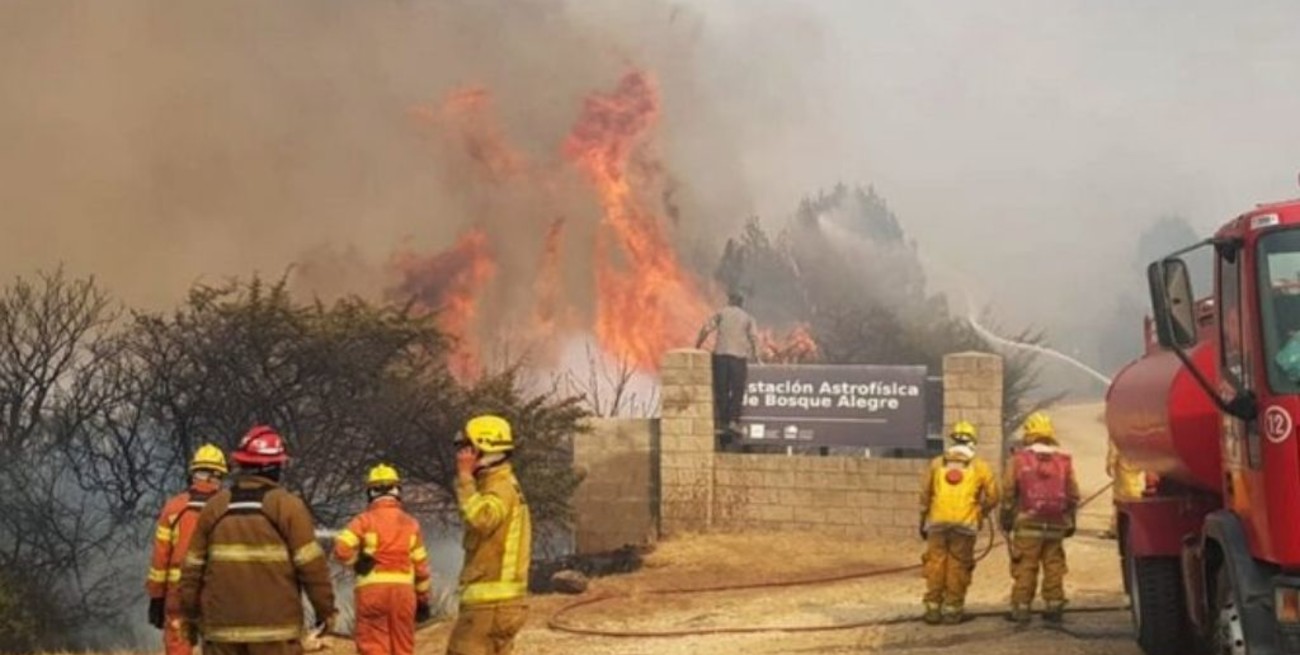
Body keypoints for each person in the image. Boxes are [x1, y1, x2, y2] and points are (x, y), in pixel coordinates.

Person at [177, 425, 337, 655]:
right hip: (276, 634)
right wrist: (326, 612)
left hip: (222, 634)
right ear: (274, 467)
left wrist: (190, 616)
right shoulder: (288, 507)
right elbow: (312, 567)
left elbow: (192, 569)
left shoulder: (214, 508)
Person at [447, 415, 532, 655]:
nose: (462, 457)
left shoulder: (499, 487)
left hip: (490, 607)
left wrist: (464, 477)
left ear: (482, 449)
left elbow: (481, 519)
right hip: (498, 606)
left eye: (467, 449)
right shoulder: (498, 484)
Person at [334, 464, 434, 655]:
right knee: (403, 647)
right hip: (403, 595)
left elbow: (341, 549)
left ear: (370, 492)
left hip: (372, 594)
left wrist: (358, 561)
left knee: (373, 647)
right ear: (397, 491)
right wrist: (422, 599)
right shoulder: (411, 524)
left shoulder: (363, 521)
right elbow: (421, 568)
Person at [147, 444, 228, 655]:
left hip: (178, 593)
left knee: (178, 644)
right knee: (219, 645)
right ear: (216, 476)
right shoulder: (226, 509)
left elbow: (160, 560)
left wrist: (156, 597)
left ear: (194, 474)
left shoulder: (174, 508)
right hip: (217, 592)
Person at [999, 411, 1080, 624]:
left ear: (1029, 434)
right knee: (1054, 565)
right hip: (1055, 524)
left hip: (1027, 524)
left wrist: (1006, 517)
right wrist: (1070, 519)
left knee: (1026, 565)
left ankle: (1022, 608)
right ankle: (1054, 606)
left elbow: (1008, 491)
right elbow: (1073, 494)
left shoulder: (1018, 459)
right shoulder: (1063, 461)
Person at [918, 420, 999, 625]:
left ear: (952, 440)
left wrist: (922, 521)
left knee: (935, 564)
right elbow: (993, 495)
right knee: (958, 566)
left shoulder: (937, 464)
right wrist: (980, 512)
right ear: (973, 442)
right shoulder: (980, 467)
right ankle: (952, 610)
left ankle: (933, 609)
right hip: (964, 526)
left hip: (937, 524)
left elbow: (925, 495)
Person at [695, 291, 760, 445]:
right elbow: (754, 338)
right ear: (741, 303)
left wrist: (698, 345)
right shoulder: (747, 318)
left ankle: (724, 421)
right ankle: (732, 421)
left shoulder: (721, 313)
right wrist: (757, 357)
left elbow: (706, 328)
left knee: (721, 389)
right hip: (738, 358)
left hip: (721, 356)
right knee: (737, 390)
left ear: (730, 301)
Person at [1100, 438, 1146, 540]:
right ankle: (1132, 527)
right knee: (1134, 495)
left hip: (1124, 468)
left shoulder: (1117, 428)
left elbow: (1114, 447)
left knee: (1121, 499)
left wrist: (1110, 463)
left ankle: (1116, 528)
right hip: (1134, 470)